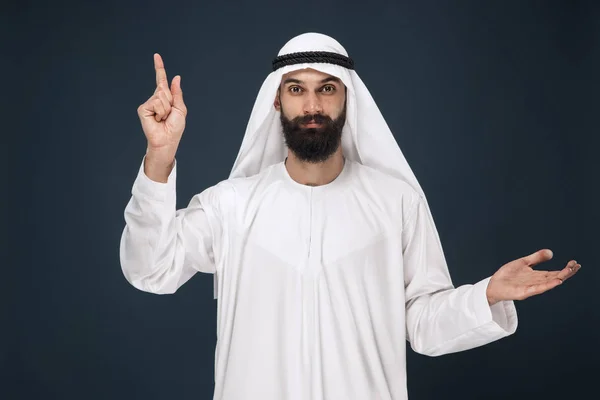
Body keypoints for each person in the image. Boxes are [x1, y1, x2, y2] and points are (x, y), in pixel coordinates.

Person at [119, 33, 580, 400]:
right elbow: (151, 268)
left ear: (346, 99)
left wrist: (486, 296)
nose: (313, 105)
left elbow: (420, 323)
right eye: (297, 89)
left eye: (327, 89)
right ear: (276, 102)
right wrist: (160, 155)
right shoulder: (231, 206)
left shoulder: (395, 202)